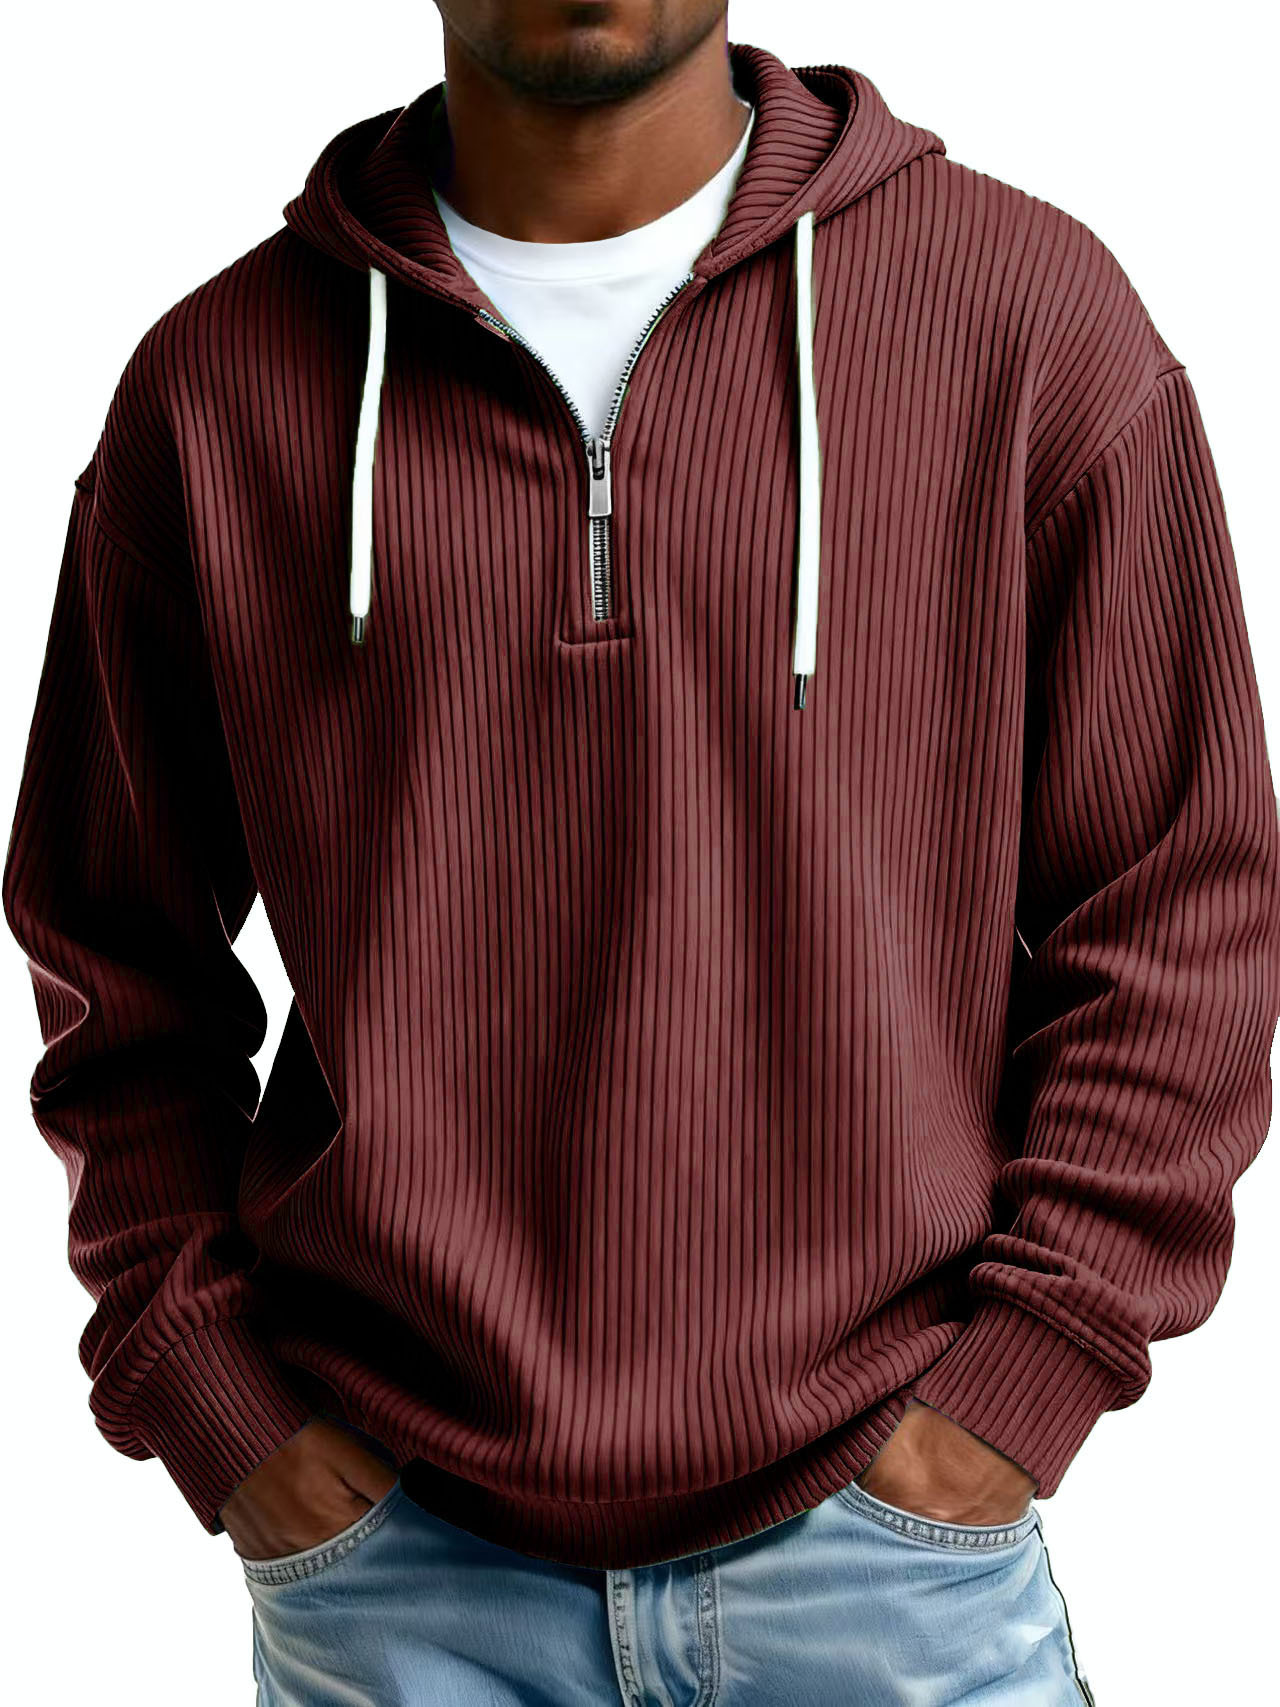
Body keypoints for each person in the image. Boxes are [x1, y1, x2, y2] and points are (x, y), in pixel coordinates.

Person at [5, 4, 1278, 1702]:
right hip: (400, 1576)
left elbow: (1185, 904)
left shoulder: (1021, 318)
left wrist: (1018, 1385)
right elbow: (114, 963)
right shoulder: (219, 383)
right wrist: (227, 1414)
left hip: (891, 1557)